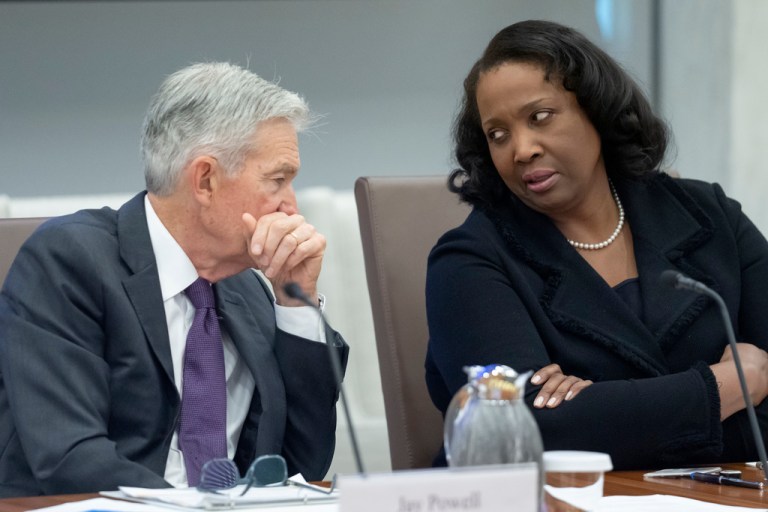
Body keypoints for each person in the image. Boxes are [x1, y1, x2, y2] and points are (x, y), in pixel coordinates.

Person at [425, 20, 768, 470]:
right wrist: (727, 387)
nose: (521, 149)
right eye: (498, 134)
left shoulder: (709, 215)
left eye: (540, 117)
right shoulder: (468, 260)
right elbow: (521, 433)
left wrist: (601, 411)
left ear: (597, 111)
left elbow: (573, 427)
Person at [0, 62, 348, 497]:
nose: (291, 207)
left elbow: (302, 464)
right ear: (205, 180)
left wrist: (296, 304)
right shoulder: (69, 263)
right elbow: (70, 456)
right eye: (277, 180)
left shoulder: (249, 291)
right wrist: (199, 509)